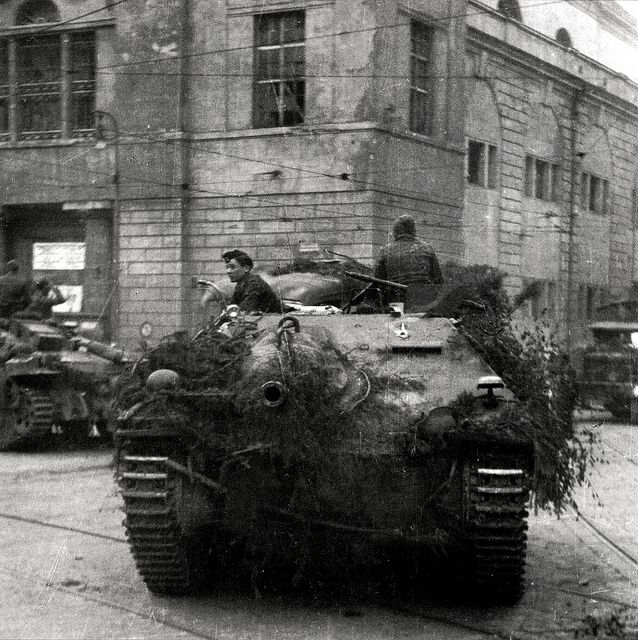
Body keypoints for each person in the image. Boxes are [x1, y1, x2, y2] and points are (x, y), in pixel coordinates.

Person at [374, 214, 443, 306]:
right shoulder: (427, 248)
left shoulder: (385, 251)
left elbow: (377, 282)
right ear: (414, 231)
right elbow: (439, 281)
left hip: (396, 304)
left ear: (395, 232)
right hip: (425, 303)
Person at [218, 249, 280, 313]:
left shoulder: (254, 284)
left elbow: (243, 312)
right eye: (227, 267)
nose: (228, 271)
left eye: (233, 267)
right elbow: (232, 307)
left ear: (246, 268)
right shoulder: (241, 284)